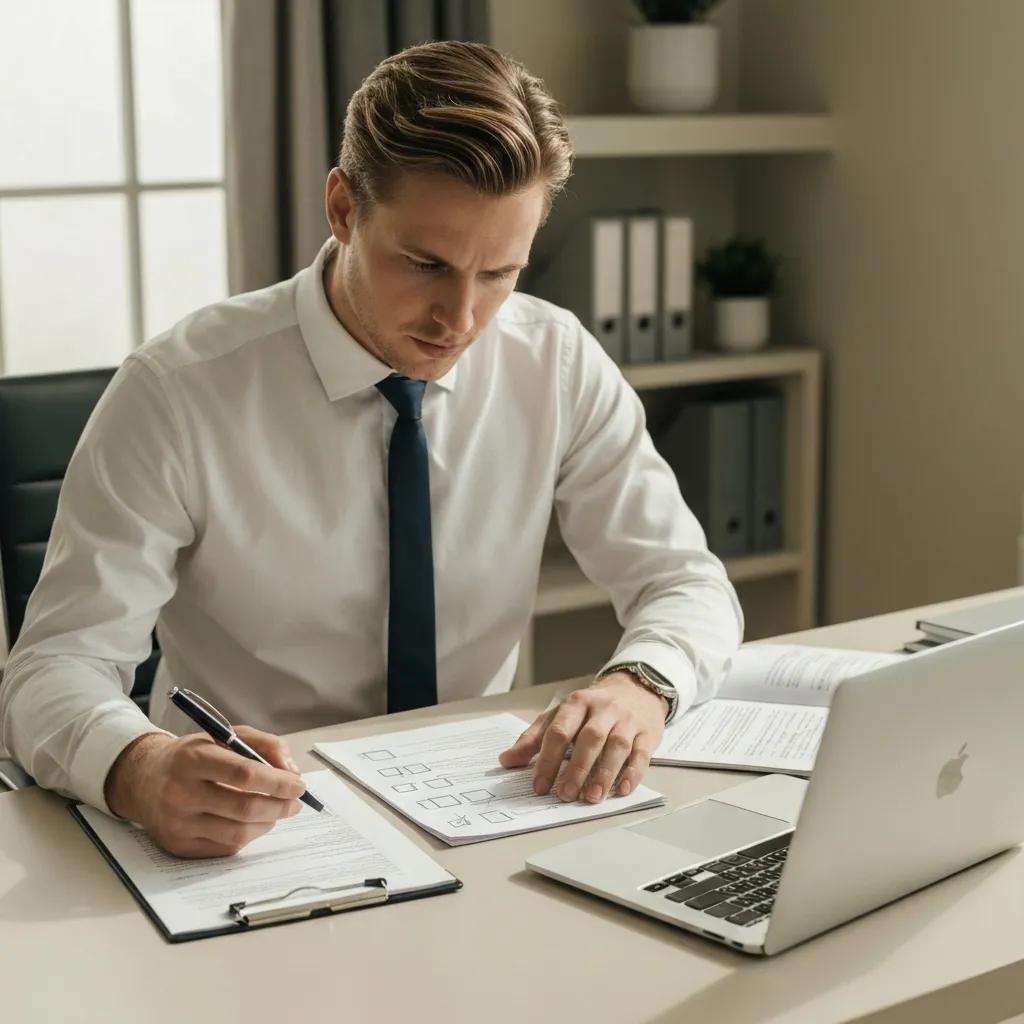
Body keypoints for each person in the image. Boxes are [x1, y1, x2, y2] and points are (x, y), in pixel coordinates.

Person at [0, 41, 742, 858]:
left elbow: (685, 582)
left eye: (500, 273)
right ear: (344, 208)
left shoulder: (555, 362)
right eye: (426, 264)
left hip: (477, 813)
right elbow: (52, 669)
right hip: (250, 838)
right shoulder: (177, 391)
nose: (459, 319)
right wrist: (140, 768)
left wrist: (642, 686)